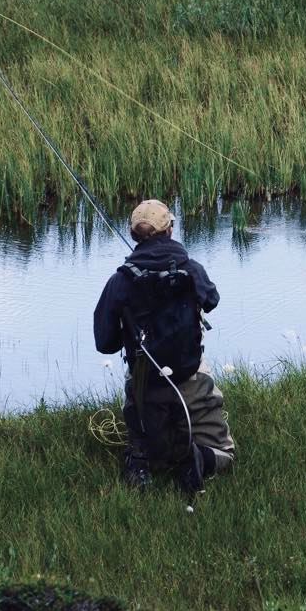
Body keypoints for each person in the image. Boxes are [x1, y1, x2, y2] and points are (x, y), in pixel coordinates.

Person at [93, 199, 237, 491]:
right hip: (193, 381)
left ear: (134, 235)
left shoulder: (119, 282)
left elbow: (105, 343)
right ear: (170, 230)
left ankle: (140, 460)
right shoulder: (192, 269)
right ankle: (199, 458)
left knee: (148, 439)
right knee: (226, 455)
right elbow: (212, 300)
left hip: (144, 387)